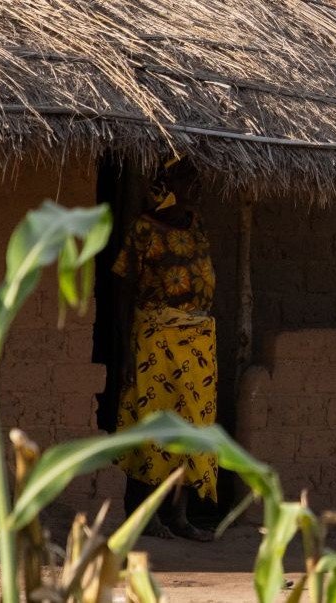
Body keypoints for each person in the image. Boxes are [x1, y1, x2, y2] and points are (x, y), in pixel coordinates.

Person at [112, 159, 218, 541]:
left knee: (192, 424)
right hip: (156, 337)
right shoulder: (144, 230)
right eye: (187, 176)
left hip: (198, 340)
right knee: (152, 424)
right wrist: (125, 350)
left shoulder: (196, 223)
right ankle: (143, 514)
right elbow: (124, 291)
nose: (196, 183)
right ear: (166, 181)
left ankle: (178, 516)